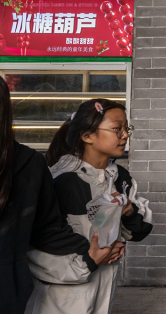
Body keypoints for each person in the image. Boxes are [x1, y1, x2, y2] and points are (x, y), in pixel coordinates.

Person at [0, 79, 121, 314]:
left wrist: (96, 250)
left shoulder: (28, 165)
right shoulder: (60, 176)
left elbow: (47, 230)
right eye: (117, 128)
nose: (124, 136)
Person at [25, 99, 153, 314]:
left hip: (103, 288)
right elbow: (35, 245)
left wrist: (129, 212)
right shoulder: (59, 181)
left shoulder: (120, 178)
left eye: (126, 128)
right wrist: (89, 261)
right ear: (87, 136)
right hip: (60, 297)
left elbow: (137, 231)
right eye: (116, 129)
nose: (125, 135)